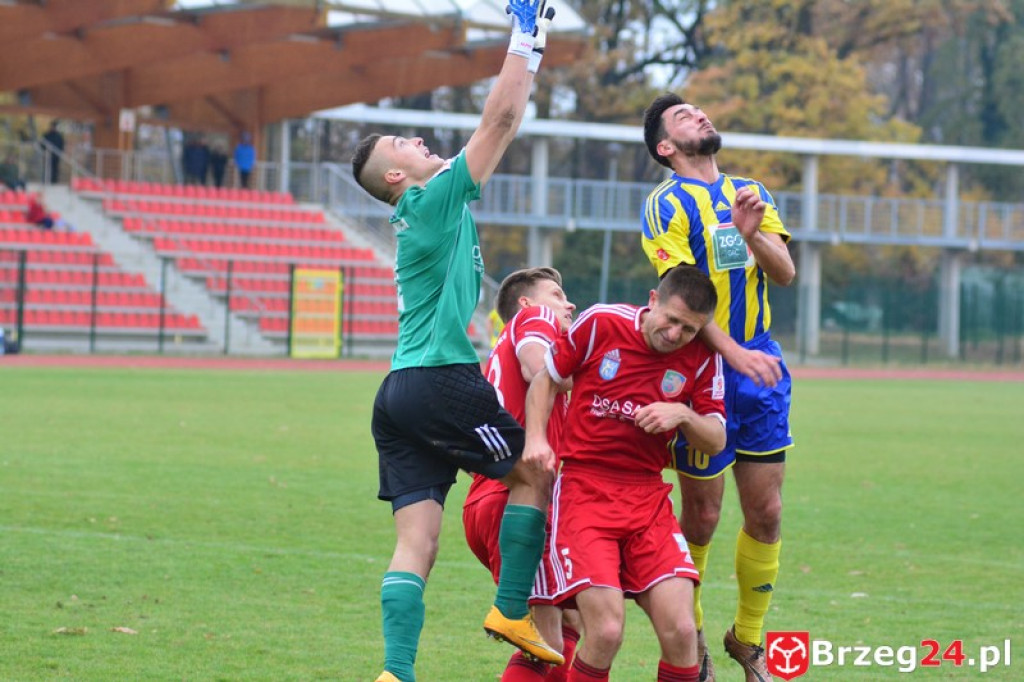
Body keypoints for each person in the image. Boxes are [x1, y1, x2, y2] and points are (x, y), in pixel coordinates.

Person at [351, 2, 562, 679]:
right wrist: (524, 39)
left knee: (417, 544)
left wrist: (535, 48)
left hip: (397, 394)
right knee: (533, 471)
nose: (418, 142)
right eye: (404, 146)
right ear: (396, 178)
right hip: (442, 378)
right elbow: (500, 121)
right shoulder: (433, 195)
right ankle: (509, 607)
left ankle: (396, 671)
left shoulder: (420, 211)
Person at [641, 93, 797, 682]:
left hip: (760, 366)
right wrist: (731, 353)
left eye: (700, 111)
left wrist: (750, 232)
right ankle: (696, 638)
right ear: (665, 146)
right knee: (701, 518)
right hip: (701, 369)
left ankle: (748, 639)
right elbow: (679, 298)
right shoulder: (663, 204)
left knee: (768, 511)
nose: (700, 116)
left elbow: (783, 273)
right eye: (684, 116)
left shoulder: (750, 188)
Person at [523, 265, 727, 682]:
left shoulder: (704, 358)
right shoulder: (601, 323)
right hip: (585, 492)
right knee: (607, 631)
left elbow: (716, 439)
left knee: (683, 630)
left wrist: (684, 414)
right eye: (670, 320)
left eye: (688, 330)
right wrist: (535, 440)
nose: (674, 335)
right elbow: (546, 380)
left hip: (648, 497)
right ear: (652, 300)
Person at [462, 267, 579, 681]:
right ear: (527, 303)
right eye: (556, 293)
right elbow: (540, 370)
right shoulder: (534, 320)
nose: (569, 303)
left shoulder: (501, 344)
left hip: (495, 500)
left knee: (570, 624)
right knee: (547, 644)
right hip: (516, 503)